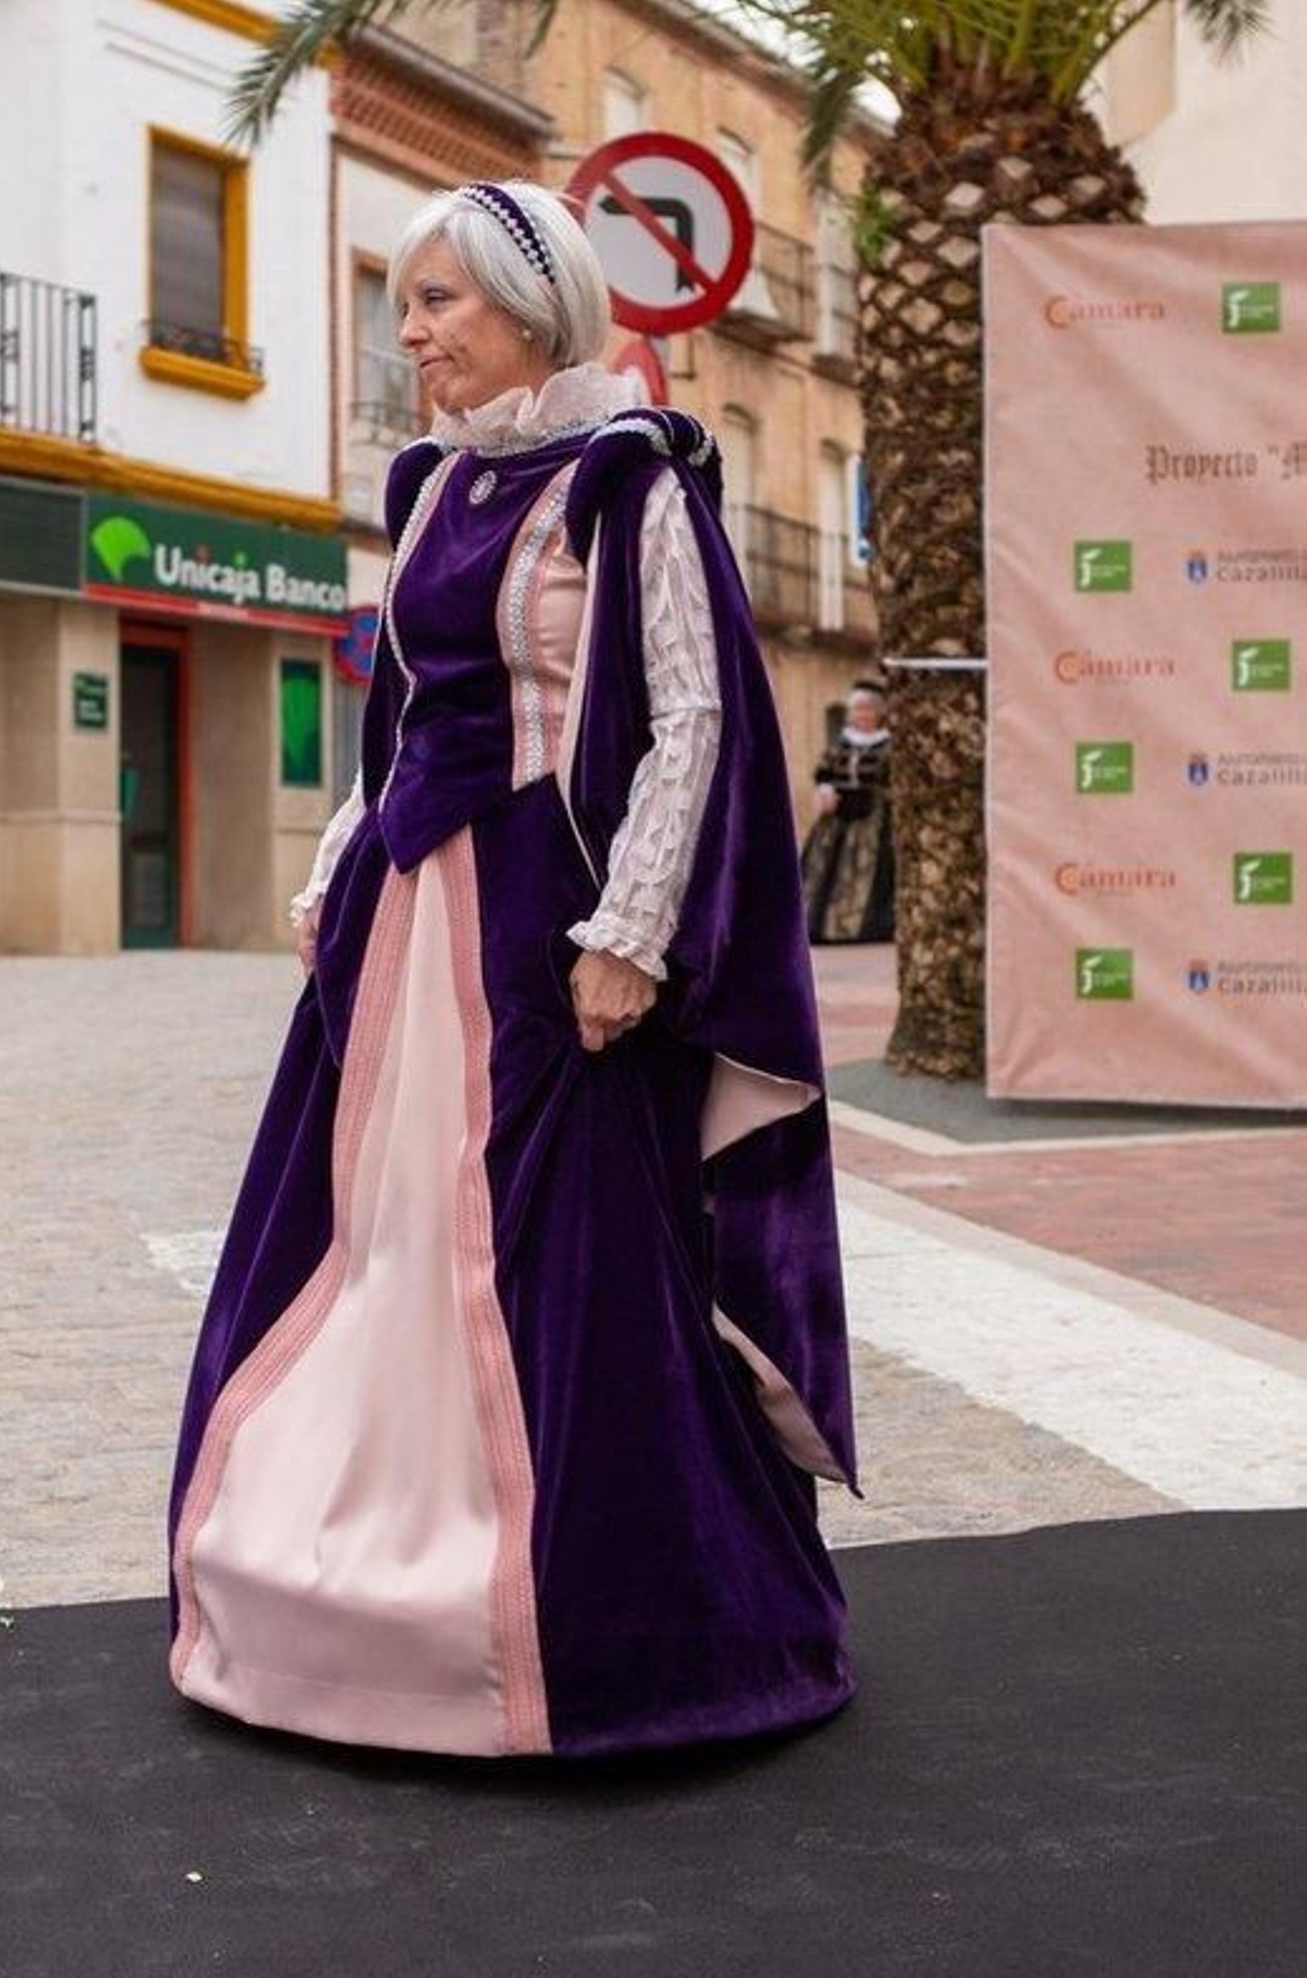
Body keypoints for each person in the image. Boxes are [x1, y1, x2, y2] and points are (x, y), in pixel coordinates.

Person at [166, 179, 858, 1759]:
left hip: (546, 923)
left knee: (563, 1259)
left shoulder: (631, 480)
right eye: (404, 304)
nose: (409, 334)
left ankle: (592, 1627)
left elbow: (690, 716)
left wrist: (631, 928)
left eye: (438, 304)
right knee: (378, 1234)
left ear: (532, 308)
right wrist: (342, 858)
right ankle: (348, 1563)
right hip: (417, 920)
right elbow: (406, 709)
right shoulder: (430, 489)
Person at [801, 681, 895, 945]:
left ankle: (867, 927)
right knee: (823, 872)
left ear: (879, 712)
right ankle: (821, 927)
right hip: (838, 814)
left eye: (868, 709)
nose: (863, 715)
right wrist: (825, 789)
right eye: (858, 710)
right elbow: (824, 771)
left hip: (873, 816)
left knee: (872, 871)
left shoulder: (888, 744)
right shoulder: (842, 742)